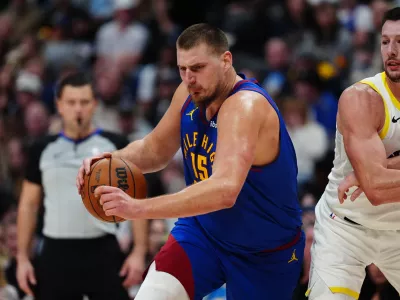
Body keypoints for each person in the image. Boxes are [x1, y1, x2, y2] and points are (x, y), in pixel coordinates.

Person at [77, 23, 305, 300]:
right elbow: (154, 150)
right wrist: (110, 160)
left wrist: (138, 208)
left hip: (264, 252)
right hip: (204, 234)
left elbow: (224, 191)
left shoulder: (246, 106)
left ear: (226, 60)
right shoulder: (188, 93)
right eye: (182, 69)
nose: (189, 78)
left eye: (197, 68)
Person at [16, 72, 148, 300]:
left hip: (103, 248)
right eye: (71, 102)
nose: (78, 109)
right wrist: (22, 258)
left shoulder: (116, 145)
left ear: (94, 104)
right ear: (59, 105)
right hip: (55, 251)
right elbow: (28, 205)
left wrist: (138, 251)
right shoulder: (41, 148)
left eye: (84, 102)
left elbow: (136, 199)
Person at [306, 7, 400, 300]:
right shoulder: (361, 98)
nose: (391, 51)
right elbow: (376, 188)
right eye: (385, 41)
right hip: (346, 229)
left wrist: (384, 168)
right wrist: (369, 175)